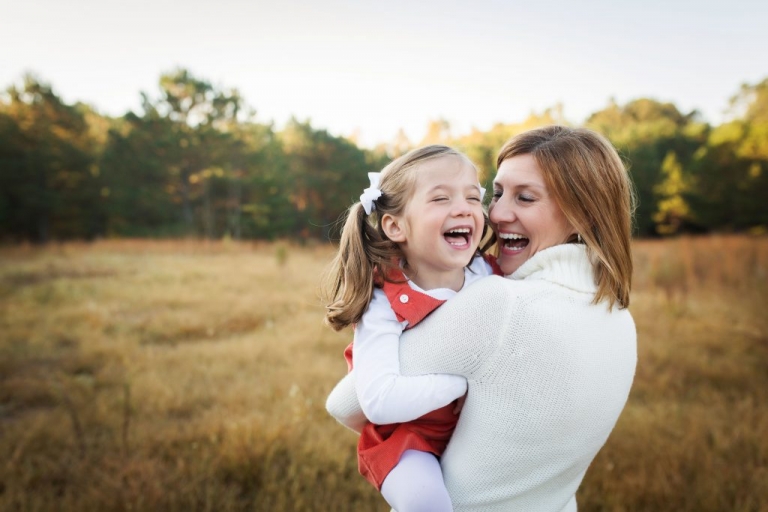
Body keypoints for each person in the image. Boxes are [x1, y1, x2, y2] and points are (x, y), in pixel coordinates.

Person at [326, 126, 638, 512]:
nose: (497, 214)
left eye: (525, 198)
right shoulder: (621, 320)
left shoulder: (499, 304)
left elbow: (346, 403)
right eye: (496, 193)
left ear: (582, 214)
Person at [322, 145, 501, 512]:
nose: (464, 207)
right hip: (409, 437)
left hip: (477, 428)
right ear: (396, 225)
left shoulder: (488, 274)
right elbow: (380, 402)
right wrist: (463, 384)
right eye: (440, 198)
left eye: (473, 196)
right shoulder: (383, 303)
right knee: (425, 502)